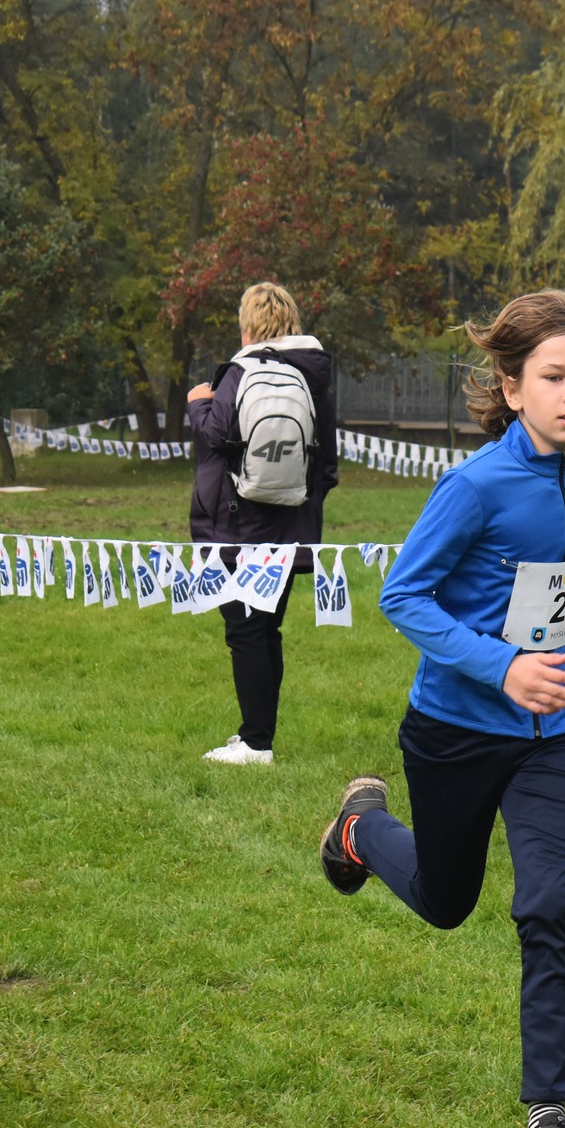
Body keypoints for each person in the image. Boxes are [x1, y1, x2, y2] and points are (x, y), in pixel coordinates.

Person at [316, 289, 565, 1128]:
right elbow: (403, 596)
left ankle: (551, 1119)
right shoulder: (473, 487)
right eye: (554, 377)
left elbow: (563, 587)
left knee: (552, 902)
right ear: (511, 386)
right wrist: (503, 670)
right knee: (445, 898)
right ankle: (359, 829)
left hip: (552, 736)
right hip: (456, 731)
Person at [186, 281, 341, 765]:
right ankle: (258, 735)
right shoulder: (313, 378)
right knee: (266, 629)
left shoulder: (241, 371)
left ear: (248, 326)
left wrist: (198, 403)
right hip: (292, 525)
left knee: (245, 633)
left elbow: (214, 438)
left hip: (236, 525)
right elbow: (328, 464)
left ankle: (256, 743)